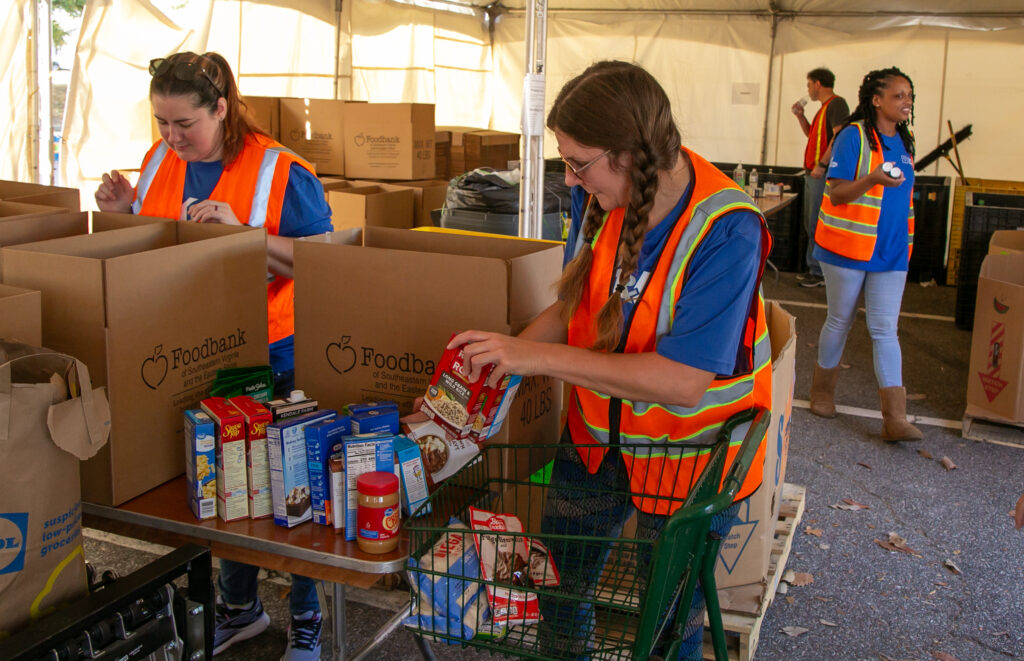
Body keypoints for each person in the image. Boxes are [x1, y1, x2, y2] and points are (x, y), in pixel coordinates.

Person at [445, 61, 772, 660]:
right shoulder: (601, 196)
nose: (569, 179)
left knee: (667, 629)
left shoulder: (727, 230)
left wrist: (536, 357)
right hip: (596, 440)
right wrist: (502, 358)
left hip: (687, 460)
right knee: (558, 589)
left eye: (579, 163)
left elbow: (683, 382)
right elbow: (576, 304)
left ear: (628, 154)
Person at [94, 51, 333, 660]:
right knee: (226, 486)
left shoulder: (280, 171)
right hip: (200, 352)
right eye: (160, 122)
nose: (171, 137)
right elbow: (155, 243)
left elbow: (327, 265)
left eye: (184, 123)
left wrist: (245, 237)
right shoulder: (157, 161)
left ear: (221, 108)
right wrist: (120, 213)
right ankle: (240, 606)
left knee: (291, 485)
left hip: (277, 354)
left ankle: (307, 615)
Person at [807, 66, 922, 443]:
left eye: (909, 96)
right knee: (840, 320)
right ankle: (822, 393)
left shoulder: (904, 140)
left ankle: (895, 418)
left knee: (885, 329)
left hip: (891, 251)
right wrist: (872, 178)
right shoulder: (853, 136)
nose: (906, 102)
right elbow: (837, 193)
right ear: (876, 100)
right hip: (848, 248)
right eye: (898, 96)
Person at [791, 68, 849, 288]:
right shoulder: (824, 109)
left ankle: (818, 271)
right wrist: (800, 116)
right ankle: (814, 267)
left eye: (809, 84)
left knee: (817, 221)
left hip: (821, 173)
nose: (808, 89)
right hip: (814, 172)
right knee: (811, 222)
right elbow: (812, 135)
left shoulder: (836, 104)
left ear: (817, 84)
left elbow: (839, 136)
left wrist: (822, 164)